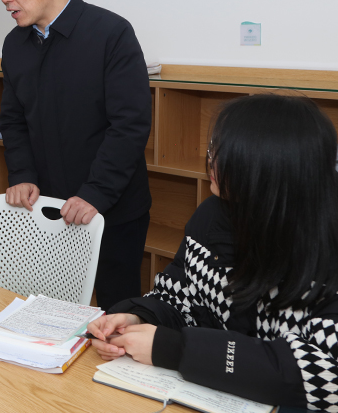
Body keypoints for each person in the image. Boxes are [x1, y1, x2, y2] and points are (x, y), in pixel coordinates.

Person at [90, 95, 338, 410]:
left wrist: (175, 349)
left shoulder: (326, 249)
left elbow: (324, 376)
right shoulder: (211, 217)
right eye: (212, 149)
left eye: (224, 153)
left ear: (271, 167)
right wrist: (136, 317)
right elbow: (178, 296)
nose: (211, 161)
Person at [0, 0, 151, 311]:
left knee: (117, 313)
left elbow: (129, 124)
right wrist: (22, 175)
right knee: (49, 308)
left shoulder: (110, 33)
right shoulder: (15, 45)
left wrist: (96, 192)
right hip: (46, 205)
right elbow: (13, 120)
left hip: (111, 207)